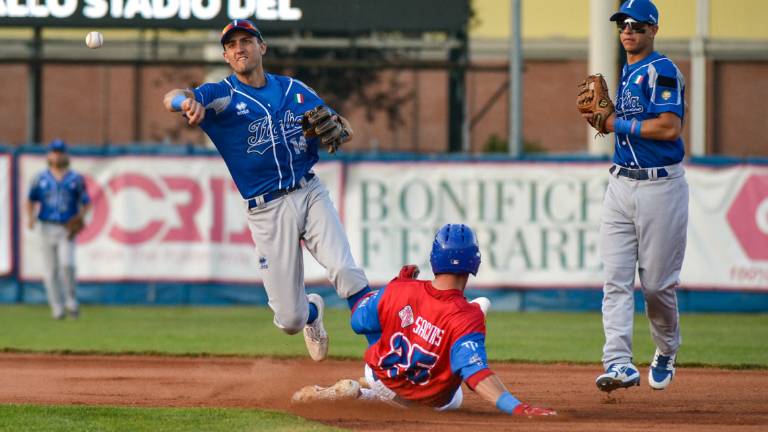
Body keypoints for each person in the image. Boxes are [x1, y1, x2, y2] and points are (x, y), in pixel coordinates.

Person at [162, 19, 371, 361]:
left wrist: (339, 127)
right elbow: (172, 96)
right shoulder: (221, 95)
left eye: (246, 40)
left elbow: (340, 124)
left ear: (262, 48)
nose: (239, 48)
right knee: (289, 319)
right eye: (232, 45)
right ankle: (312, 314)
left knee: (347, 271)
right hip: (266, 209)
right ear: (227, 57)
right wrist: (185, 104)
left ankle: (384, 364)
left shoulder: (292, 90)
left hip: (309, 191)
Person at [292, 224, 556, 417]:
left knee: (391, 324)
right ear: (474, 262)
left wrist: (394, 290)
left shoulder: (401, 289)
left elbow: (359, 322)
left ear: (434, 259)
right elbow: (476, 374)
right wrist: (518, 407)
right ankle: (369, 390)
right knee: (456, 398)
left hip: (381, 377)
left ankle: (363, 389)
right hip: (431, 399)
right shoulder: (467, 318)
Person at [584, 0, 688, 392]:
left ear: (653, 30)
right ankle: (619, 363)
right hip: (620, 184)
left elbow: (668, 128)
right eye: (622, 24)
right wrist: (616, 123)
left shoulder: (661, 71)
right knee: (615, 279)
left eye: (637, 25)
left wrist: (614, 122)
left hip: (661, 186)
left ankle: (666, 348)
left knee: (658, 285)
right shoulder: (627, 70)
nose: (628, 30)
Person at [26, 139, 92, 320]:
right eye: (54, 152)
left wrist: (80, 217)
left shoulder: (76, 179)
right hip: (46, 226)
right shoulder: (40, 178)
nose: (57, 155)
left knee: (67, 265)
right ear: (49, 155)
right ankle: (57, 308)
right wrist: (30, 217)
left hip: (66, 228)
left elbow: (86, 202)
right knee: (50, 270)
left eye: (60, 152)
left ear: (65, 154)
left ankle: (71, 302)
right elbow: (30, 199)